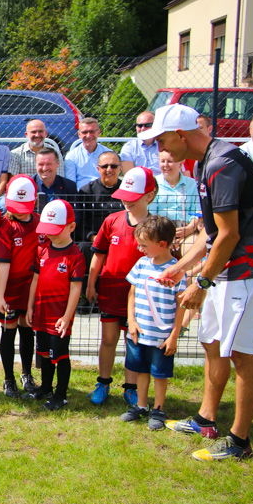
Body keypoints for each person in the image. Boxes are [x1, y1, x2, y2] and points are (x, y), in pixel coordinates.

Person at [149, 103, 253, 461]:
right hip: (228, 272)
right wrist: (179, 269)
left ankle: (239, 441)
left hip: (246, 274)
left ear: (181, 135)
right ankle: (206, 419)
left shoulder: (223, 164)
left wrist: (200, 284)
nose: (159, 149)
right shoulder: (207, 161)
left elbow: (229, 235)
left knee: (241, 354)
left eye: (161, 141)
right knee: (212, 342)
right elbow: (210, 235)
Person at [86, 167, 157, 406]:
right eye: (124, 195)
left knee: (133, 342)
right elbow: (98, 255)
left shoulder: (155, 227)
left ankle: (131, 387)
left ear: (149, 195)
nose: (127, 201)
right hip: (110, 291)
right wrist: (91, 283)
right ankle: (103, 382)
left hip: (139, 297)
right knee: (108, 339)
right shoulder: (112, 221)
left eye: (133, 196)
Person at [122, 215, 187, 431]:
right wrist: (131, 321)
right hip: (139, 332)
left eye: (143, 245)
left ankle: (158, 408)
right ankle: (141, 405)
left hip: (161, 337)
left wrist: (174, 335)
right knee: (141, 370)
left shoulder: (177, 270)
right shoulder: (141, 264)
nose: (140, 249)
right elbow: (132, 292)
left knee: (159, 373)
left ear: (161, 244)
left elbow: (181, 305)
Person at [26, 199, 84, 410]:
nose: (50, 234)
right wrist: (31, 306)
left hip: (59, 316)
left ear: (71, 227)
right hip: (41, 312)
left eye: (55, 230)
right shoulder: (42, 250)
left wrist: (67, 317)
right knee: (43, 353)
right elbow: (35, 279)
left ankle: (61, 394)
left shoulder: (75, 256)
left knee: (59, 355)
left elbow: (76, 288)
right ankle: (46, 387)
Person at [0, 175, 40, 397]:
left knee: (27, 329)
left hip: (31, 288)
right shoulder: (5, 224)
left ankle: (26, 374)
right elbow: (2, 262)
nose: (20, 211)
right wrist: (0, 296)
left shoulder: (40, 223)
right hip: (10, 286)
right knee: (8, 330)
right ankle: (8, 378)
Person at [148, 150, 199, 247]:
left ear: (180, 163)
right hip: (159, 231)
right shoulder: (153, 183)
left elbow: (198, 210)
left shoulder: (192, 184)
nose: (165, 165)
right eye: (162, 161)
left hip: (186, 230)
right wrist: (166, 236)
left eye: (170, 161)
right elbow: (151, 214)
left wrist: (189, 229)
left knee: (192, 246)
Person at [77, 151, 123, 242]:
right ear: (98, 169)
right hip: (94, 240)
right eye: (104, 166)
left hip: (122, 238)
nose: (109, 169)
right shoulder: (86, 191)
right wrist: (93, 237)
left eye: (113, 166)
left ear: (120, 169)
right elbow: (81, 222)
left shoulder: (127, 190)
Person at [64, 118, 112, 190]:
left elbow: (111, 180)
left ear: (98, 132)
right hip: (81, 196)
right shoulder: (71, 156)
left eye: (92, 131)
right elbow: (71, 184)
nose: (88, 135)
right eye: (85, 132)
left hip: (103, 194)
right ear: (79, 134)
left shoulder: (109, 155)